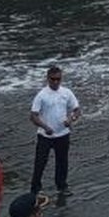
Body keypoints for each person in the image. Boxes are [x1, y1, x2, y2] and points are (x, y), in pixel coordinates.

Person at [30, 65, 82, 197]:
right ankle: (35, 189)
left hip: (63, 134)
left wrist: (71, 119)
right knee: (40, 163)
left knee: (62, 162)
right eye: (52, 79)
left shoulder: (67, 93)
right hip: (45, 136)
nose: (55, 82)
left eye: (58, 79)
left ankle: (62, 186)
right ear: (47, 79)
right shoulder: (42, 95)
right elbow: (33, 116)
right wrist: (45, 127)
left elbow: (77, 110)